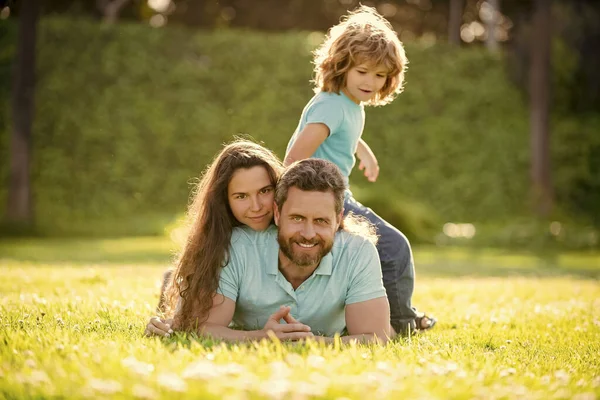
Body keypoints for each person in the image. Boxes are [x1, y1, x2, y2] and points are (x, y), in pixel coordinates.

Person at [284, 5, 435, 335]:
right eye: (363, 71)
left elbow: (341, 133)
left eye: (380, 75)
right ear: (341, 65)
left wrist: (362, 150)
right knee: (394, 249)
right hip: (325, 199)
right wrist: (303, 205)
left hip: (337, 195)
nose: (371, 82)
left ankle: (396, 313)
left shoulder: (349, 103)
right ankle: (400, 322)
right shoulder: (330, 104)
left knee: (385, 250)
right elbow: (294, 157)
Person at [177, 159, 391, 343]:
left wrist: (313, 343)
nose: (308, 233)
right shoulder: (238, 246)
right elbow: (203, 328)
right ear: (277, 214)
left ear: (338, 220)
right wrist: (261, 338)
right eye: (297, 218)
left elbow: (376, 338)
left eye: (321, 221)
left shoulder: (359, 252)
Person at [145, 139, 283, 336]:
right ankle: (171, 279)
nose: (256, 206)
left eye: (265, 191)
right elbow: (186, 323)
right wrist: (161, 325)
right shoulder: (213, 241)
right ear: (224, 200)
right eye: (241, 196)